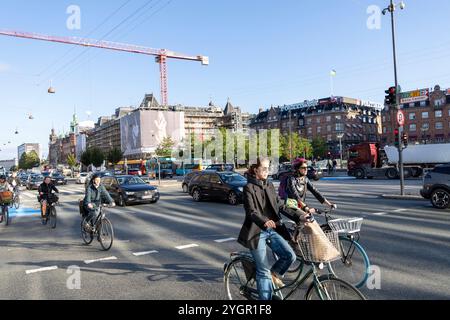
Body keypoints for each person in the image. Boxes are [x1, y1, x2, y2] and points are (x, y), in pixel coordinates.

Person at [238, 157, 305, 300]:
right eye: (263, 168)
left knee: (290, 256)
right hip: (256, 232)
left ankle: (274, 274)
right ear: (255, 170)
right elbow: (251, 212)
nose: (266, 171)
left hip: (271, 230)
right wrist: (265, 221)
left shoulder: (268, 185)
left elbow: (281, 205)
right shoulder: (248, 188)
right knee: (262, 270)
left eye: (268, 168)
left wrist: (301, 216)